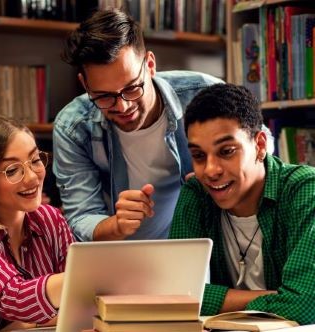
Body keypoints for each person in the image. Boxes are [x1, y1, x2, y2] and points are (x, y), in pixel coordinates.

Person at [53, 9, 223, 242]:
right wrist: (116, 225)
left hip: (207, 250)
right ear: (84, 84)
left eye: (132, 88)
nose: (122, 107)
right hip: (120, 260)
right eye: (104, 96)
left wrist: (220, 180)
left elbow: (259, 153)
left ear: (150, 65)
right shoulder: (73, 127)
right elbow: (81, 217)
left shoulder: (205, 94)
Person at [169, 84, 315, 324]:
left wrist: (214, 299)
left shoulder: (306, 189)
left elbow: (306, 304)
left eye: (226, 151)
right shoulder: (196, 194)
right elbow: (175, 295)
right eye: (198, 156)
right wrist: (274, 297)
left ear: (259, 145)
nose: (210, 170)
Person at [0, 115, 75, 332]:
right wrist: (84, 279)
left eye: (35, 160)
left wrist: (31, 322)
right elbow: (15, 300)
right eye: (12, 170)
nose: (32, 178)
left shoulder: (51, 219)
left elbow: (78, 305)